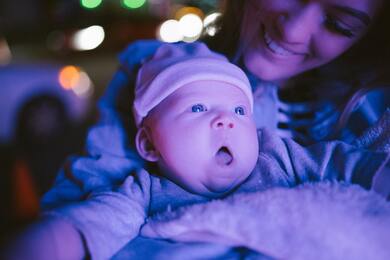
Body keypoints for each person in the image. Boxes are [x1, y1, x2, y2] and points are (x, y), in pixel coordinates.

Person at [6, 43, 389, 260]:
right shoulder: (144, 191)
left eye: (240, 111)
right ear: (148, 145)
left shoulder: (278, 155)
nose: (226, 120)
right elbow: (95, 220)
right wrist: (52, 240)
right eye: (198, 108)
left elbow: (346, 163)